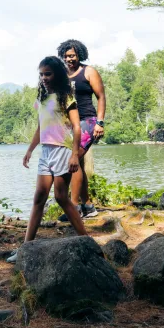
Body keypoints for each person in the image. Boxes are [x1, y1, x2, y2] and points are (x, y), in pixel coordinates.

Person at [7, 56, 88, 263]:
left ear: (57, 74)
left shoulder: (66, 97)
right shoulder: (42, 99)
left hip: (63, 150)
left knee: (61, 197)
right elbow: (40, 128)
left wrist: (74, 155)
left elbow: (77, 127)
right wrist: (29, 150)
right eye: (41, 74)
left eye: (48, 74)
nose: (44, 78)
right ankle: (25, 249)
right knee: (38, 198)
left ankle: (87, 242)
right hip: (46, 153)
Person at [56, 39, 106, 219]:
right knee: (78, 163)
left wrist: (100, 122)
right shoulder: (61, 76)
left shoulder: (89, 72)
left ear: (79, 55)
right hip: (69, 124)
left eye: (72, 56)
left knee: (73, 159)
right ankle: (88, 206)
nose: (69, 59)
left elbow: (101, 97)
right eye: (66, 56)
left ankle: (74, 208)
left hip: (89, 121)